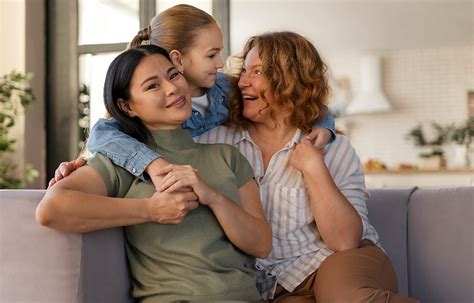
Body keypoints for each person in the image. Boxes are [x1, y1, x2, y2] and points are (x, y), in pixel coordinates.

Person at [190, 32, 419, 302]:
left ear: (290, 80)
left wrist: (313, 167)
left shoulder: (334, 148)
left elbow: (345, 241)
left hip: (338, 261)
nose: (242, 82)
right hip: (275, 284)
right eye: (244, 72)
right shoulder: (213, 142)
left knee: (346, 298)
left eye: (258, 72)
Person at [36, 45, 272, 302]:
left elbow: (261, 244)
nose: (172, 88)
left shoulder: (227, 155)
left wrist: (212, 196)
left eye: (173, 75)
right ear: (127, 107)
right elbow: (51, 209)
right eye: (152, 86)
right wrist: (151, 209)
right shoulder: (121, 162)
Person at [47, 4, 336, 189]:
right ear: (178, 59)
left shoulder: (224, 89)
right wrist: (151, 164)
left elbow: (290, 97)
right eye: (212, 55)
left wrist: (323, 125)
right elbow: (103, 135)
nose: (221, 63)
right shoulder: (148, 111)